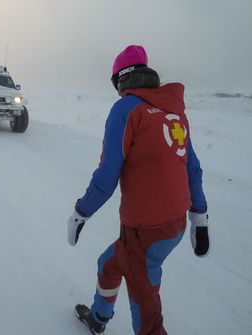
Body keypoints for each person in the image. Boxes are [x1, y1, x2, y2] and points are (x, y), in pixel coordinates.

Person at [67, 45, 209, 335]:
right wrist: (200, 217)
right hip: (175, 225)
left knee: (149, 321)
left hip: (143, 233)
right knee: (108, 265)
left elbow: (107, 175)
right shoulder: (173, 110)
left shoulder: (126, 109)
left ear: (121, 79)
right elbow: (191, 166)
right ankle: (98, 318)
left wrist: (81, 212)